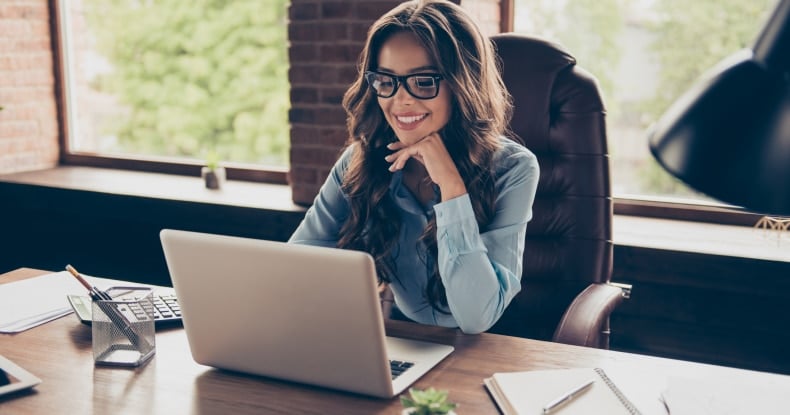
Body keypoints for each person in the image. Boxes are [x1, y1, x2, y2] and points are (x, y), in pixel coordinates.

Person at [288, 0, 539, 334]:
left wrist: (451, 185)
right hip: (404, 342)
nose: (400, 100)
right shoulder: (360, 161)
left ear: (462, 84)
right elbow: (296, 265)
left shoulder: (515, 169)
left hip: (489, 349)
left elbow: (475, 316)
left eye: (423, 81)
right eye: (386, 81)